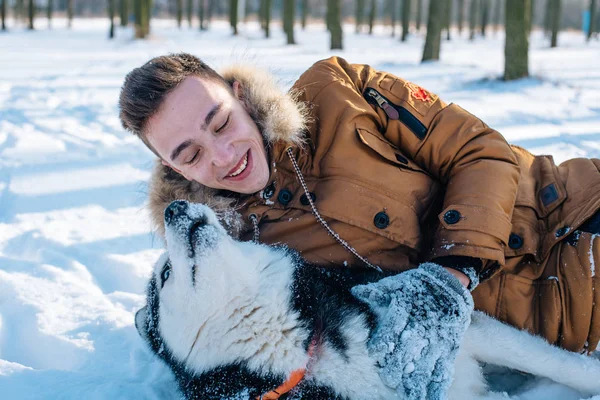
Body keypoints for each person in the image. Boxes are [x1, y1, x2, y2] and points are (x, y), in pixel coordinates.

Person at [119, 53, 600, 398]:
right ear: (173, 170)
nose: (225, 156)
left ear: (238, 95)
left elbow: (480, 150)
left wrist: (453, 271)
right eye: (191, 155)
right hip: (560, 318)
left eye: (221, 123)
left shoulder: (336, 90)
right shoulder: (236, 263)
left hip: (574, 208)